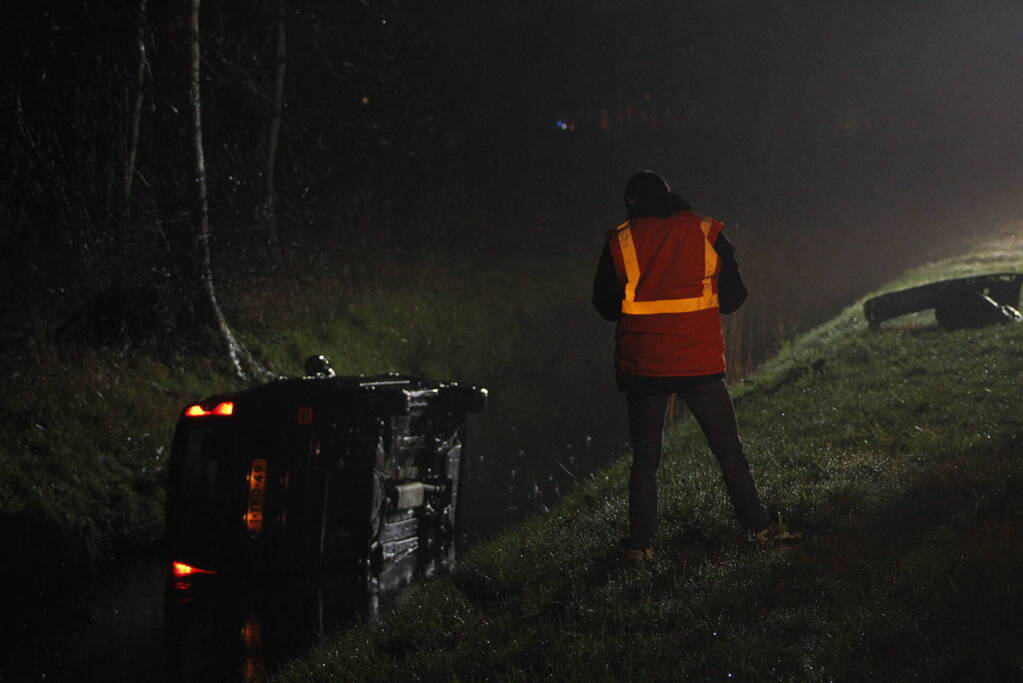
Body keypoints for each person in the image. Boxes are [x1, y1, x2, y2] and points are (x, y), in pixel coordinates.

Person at [592, 171, 795, 566]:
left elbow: (604, 306)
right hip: (699, 362)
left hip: (644, 364)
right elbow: (735, 297)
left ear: (631, 201)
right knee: (728, 450)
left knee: (646, 457)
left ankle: (640, 546)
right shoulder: (706, 231)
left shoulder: (621, 240)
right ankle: (760, 528)